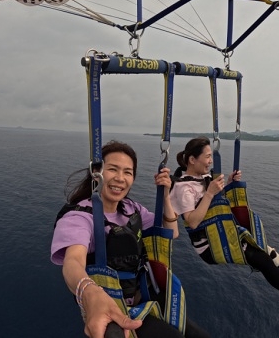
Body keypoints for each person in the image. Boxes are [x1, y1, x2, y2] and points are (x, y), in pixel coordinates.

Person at [51, 140, 210, 338]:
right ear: (97, 173)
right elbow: (73, 261)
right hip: (113, 303)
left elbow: (172, 232)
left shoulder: (131, 209)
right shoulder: (79, 217)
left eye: (128, 172)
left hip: (142, 295)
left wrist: (165, 196)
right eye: (112, 169)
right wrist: (90, 292)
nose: (120, 178)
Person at [169, 136, 279, 309]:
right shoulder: (184, 188)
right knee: (262, 260)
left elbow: (214, 204)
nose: (210, 161)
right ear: (192, 160)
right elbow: (192, 222)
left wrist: (229, 183)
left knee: (270, 252)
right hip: (209, 245)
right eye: (207, 156)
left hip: (223, 233)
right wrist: (209, 193)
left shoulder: (203, 177)